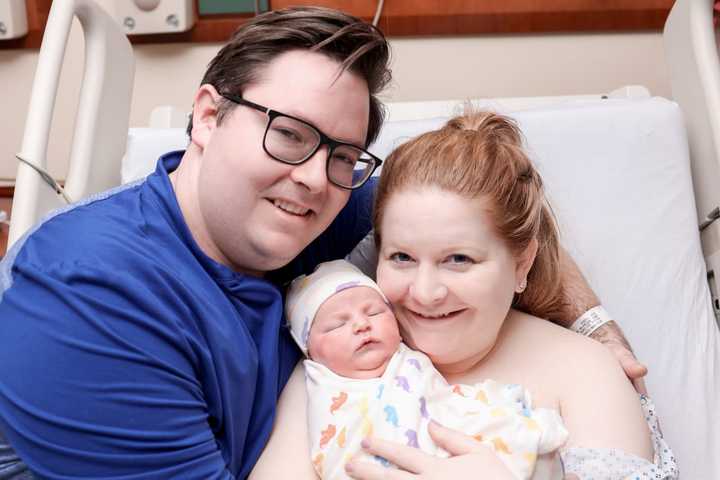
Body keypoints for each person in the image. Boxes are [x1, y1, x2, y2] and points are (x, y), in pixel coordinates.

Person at [0, 6, 644, 479]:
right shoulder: (88, 299)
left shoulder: (318, 207)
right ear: (205, 116)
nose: (312, 178)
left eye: (341, 154)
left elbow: (487, 211)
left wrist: (594, 326)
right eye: (287, 133)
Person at [251, 111, 678, 480]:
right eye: (401, 257)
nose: (425, 292)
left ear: (521, 263)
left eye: (458, 259)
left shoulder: (583, 373)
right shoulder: (338, 370)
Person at [285, 259, 569, 480]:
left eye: (374, 312)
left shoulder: (407, 354)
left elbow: (442, 402)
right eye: (337, 324)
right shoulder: (319, 384)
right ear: (311, 352)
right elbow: (335, 455)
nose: (362, 324)